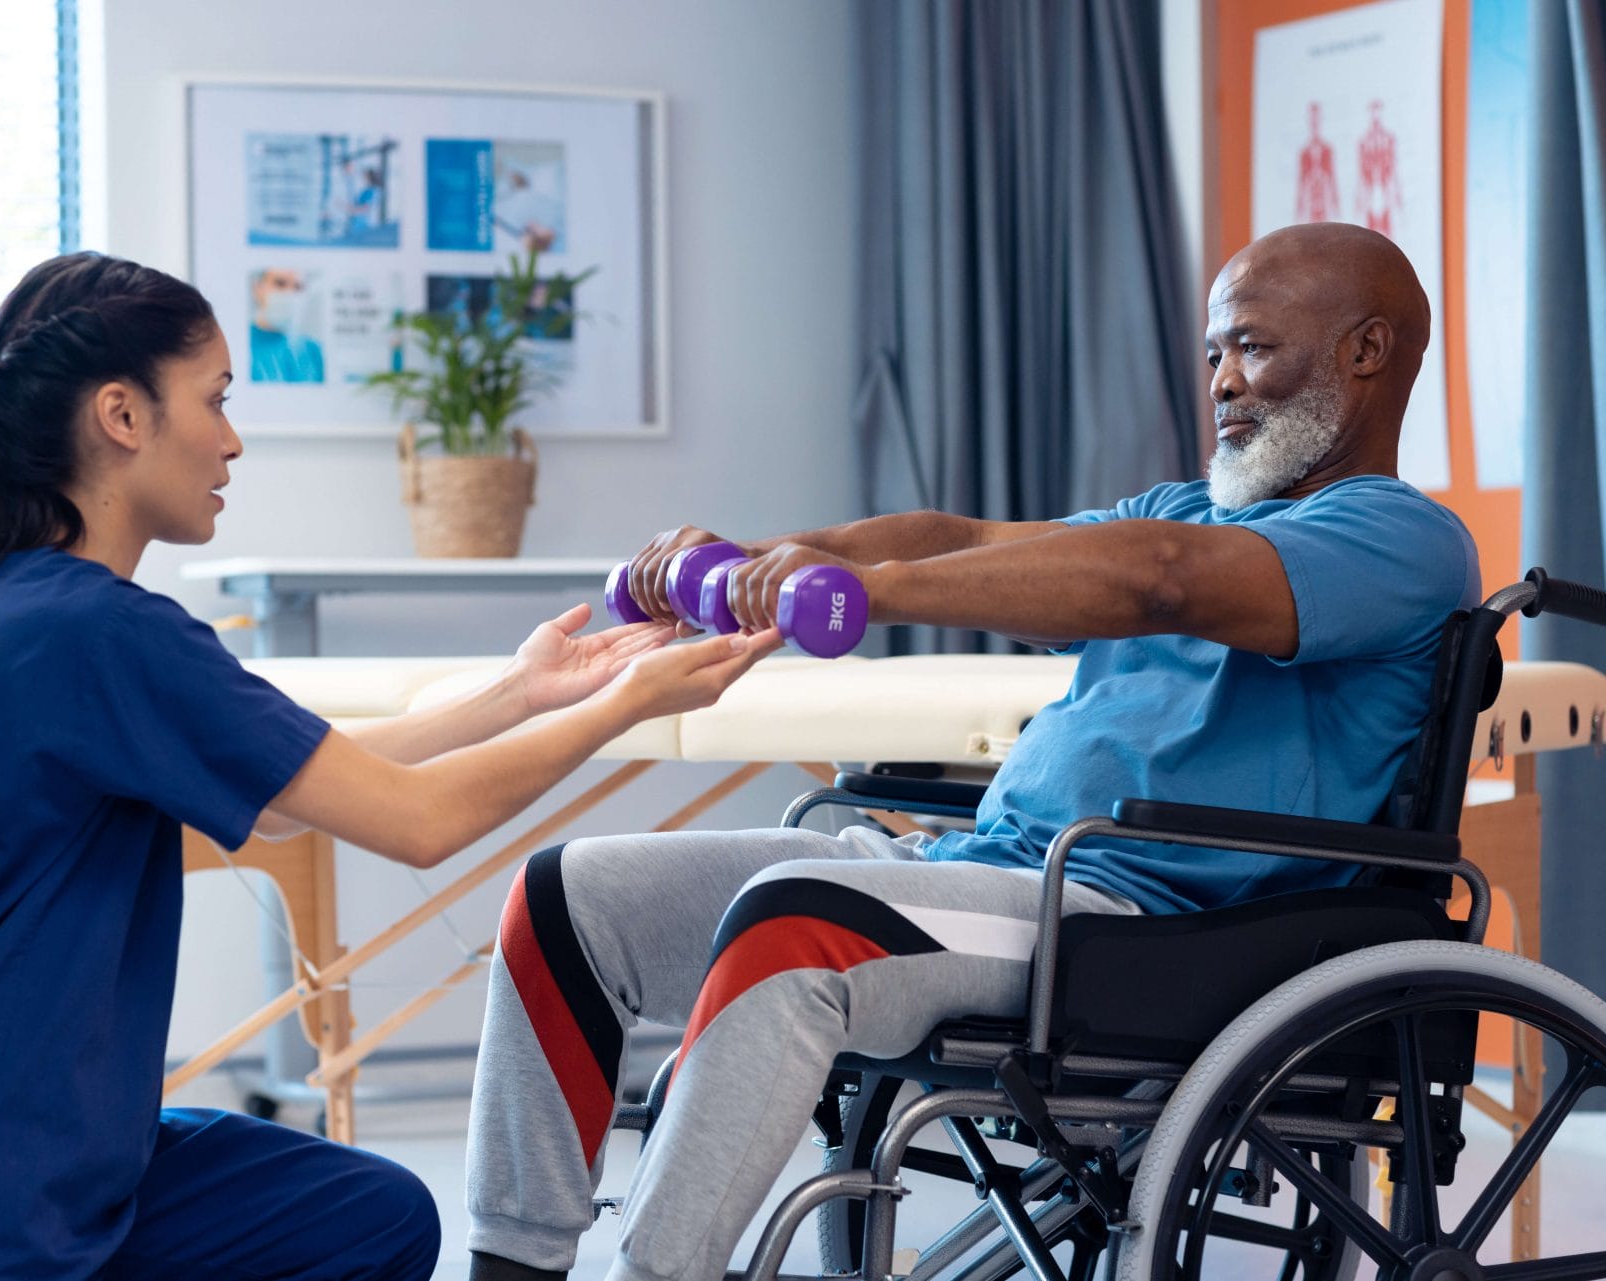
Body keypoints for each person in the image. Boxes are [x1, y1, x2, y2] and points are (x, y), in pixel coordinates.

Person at [462, 222, 1482, 1281]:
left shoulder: (1399, 538)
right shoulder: (1176, 508)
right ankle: (513, 1264)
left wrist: (873, 596)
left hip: (1144, 926)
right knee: (564, 900)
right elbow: (972, 542)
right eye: (1214, 354)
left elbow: (1163, 580)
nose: (1222, 382)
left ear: (1366, 352)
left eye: (1255, 348)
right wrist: (764, 560)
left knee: (795, 930)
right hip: (987, 876)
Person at [0, 252, 781, 1281]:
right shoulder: (93, 631)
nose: (232, 439)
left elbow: (297, 792)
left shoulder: (27, 606)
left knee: (362, 1215)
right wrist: (625, 705)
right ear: (122, 414)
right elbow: (417, 821)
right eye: (215, 400)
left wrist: (523, 692)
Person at [249, 266, 325, 383]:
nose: (289, 293)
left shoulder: (315, 351)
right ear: (258, 288)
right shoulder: (242, 347)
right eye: (280, 284)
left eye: (297, 287)